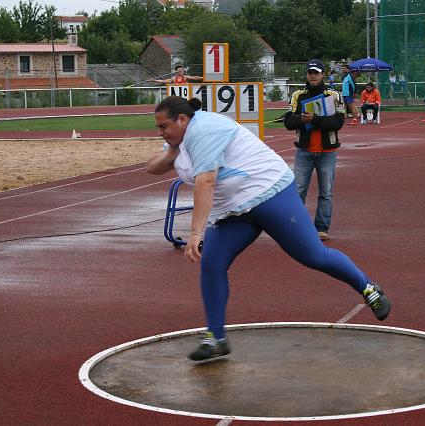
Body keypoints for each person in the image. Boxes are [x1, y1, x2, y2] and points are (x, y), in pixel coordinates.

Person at [146, 96, 391, 361]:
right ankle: (215, 337)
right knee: (212, 265)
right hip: (232, 211)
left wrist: (195, 233)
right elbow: (153, 167)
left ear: (182, 120)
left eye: (163, 126)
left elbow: (206, 181)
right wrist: (171, 151)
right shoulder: (178, 139)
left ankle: (368, 289)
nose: (160, 132)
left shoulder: (204, 130)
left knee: (313, 255)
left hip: (269, 194)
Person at [284, 59, 343, 241]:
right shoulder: (298, 96)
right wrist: (302, 119)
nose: (313, 75)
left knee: (326, 191)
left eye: (316, 72)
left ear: (323, 74)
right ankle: (298, 227)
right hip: (304, 151)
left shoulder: (333, 95)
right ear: (307, 75)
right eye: (310, 72)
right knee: (299, 190)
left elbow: (338, 122)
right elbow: (288, 122)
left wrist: (314, 119)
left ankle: (321, 228)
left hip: (327, 153)